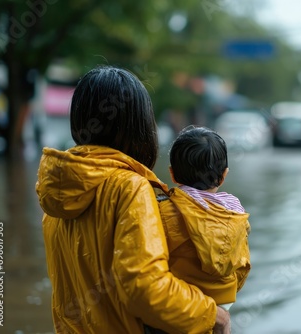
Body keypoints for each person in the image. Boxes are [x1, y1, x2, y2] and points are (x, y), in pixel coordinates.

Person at [35, 66, 230, 333]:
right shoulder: (130, 187)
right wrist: (213, 315)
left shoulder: (56, 192)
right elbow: (145, 289)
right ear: (139, 126)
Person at [145, 126, 251, 333]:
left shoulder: (162, 210)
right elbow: (243, 267)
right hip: (220, 307)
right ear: (224, 176)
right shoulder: (236, 214)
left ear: (172, 174)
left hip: (178, 311)